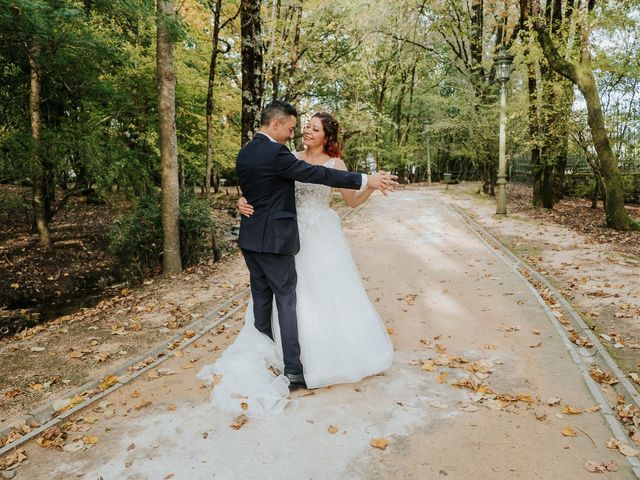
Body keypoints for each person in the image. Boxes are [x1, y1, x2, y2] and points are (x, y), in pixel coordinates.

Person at [198, 103, 396, 417]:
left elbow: (331, 186)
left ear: (326, 136)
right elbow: (284, 179)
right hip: (283, 238)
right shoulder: (286, 156)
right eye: (299, 127)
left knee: (292, 297)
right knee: (286, 300)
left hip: (308, 235)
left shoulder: (258, 151)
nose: (302, 131)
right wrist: (242, 200)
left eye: (312, 128)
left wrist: (366, 185)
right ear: (277, 125)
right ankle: (291, 366)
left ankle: (301, 356)